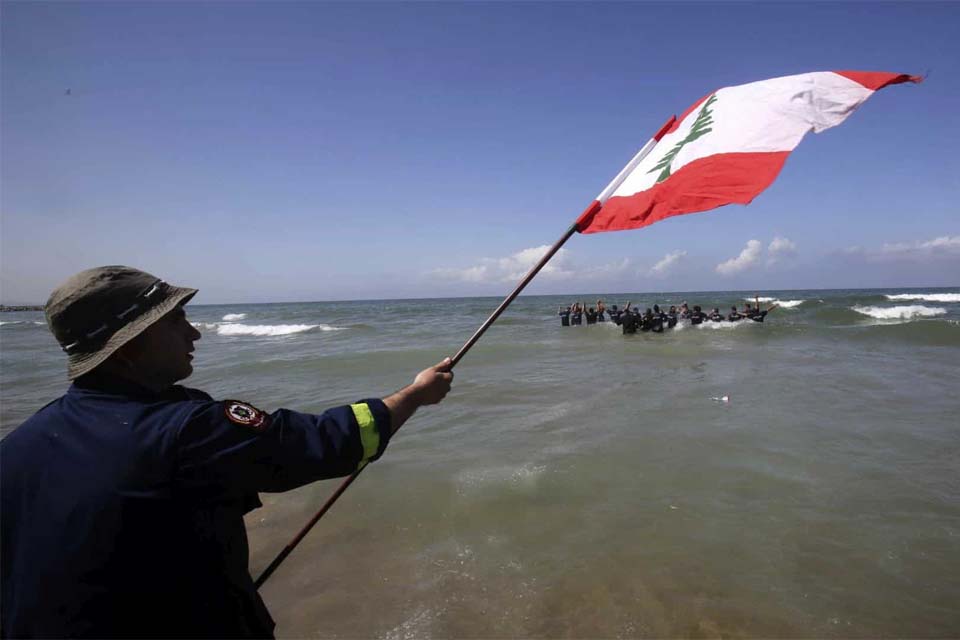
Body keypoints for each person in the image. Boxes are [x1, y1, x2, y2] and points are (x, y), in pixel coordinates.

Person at [0, 266, 454, 638]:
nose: (194, 333)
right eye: (176, 321)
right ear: (129, 344)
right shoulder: (186, 431)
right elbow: (322, 444)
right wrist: (413, 395)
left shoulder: (20, 444)